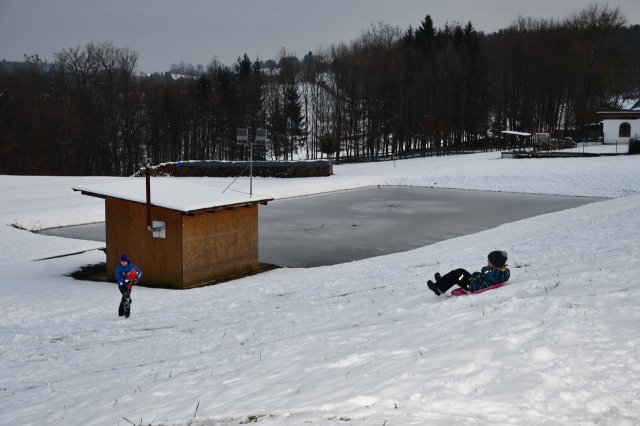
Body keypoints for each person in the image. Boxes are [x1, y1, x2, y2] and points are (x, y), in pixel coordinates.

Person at [427, 250, 510, 296]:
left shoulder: (495, 273)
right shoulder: (501, 271)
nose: (487, 262)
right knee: (460, 271)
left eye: (489, 261)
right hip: (475, 281)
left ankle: (438, 289)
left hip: (473, 286)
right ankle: (441, 282)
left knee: (457, 275)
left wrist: (489, 268)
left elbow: (487, 273)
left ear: (495, 263)